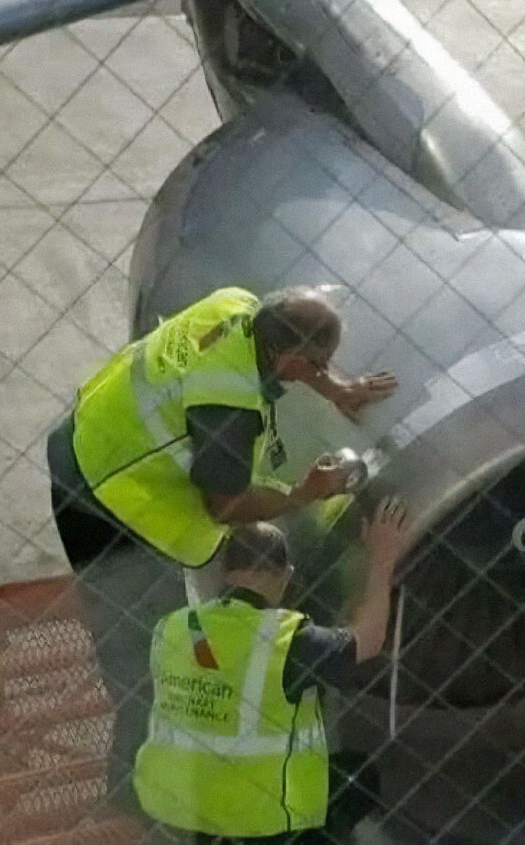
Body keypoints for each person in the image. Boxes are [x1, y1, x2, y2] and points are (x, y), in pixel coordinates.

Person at [46, 285, 397, 807]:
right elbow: (225, 507)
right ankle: (136, 790)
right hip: (106, 503)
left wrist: (337, 389)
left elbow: (294, 350)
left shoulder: (238, 306)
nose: (323, 372)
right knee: (148, 657)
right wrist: (306, 492)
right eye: (317, 365)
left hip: (88, 435)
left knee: (166, 639)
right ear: (286, 355)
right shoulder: (228, 410)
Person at [134, 497, 410, 844]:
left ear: (225, 572)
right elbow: (368, 639)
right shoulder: (286, 640)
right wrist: (382, 559)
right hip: (264, 822)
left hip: (185, 805)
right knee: (359, 776)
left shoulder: (173, 627)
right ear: (286, 575)